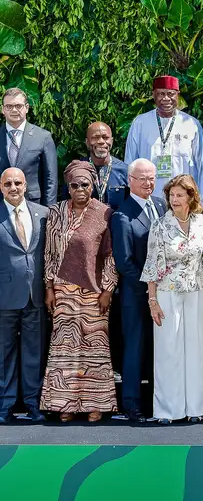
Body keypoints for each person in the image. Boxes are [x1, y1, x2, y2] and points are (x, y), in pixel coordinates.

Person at [41, 160, 119, 422]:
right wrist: (49, 287)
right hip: (63, 291)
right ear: (68, 187)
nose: (80, 189)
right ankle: (65, 403)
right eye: (74, 185)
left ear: (93, 185)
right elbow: (50, 253)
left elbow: (109, 256)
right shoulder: (56, 212)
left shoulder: (104, 213)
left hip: (94, 292)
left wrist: (108, 288)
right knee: (65, 348)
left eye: (84, 184)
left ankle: (95, 404)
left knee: (94, 349)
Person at [141, 174, 203, 424]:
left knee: (197, 350)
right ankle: (167, 410)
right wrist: (152, 301)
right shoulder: (159, 225)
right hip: (167, 292)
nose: (174, 200)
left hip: (197, 290)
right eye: (171, 196)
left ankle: (197, 408)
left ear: (191, 197)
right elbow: (151, 265)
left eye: (180, 195)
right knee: (168, 351)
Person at [110, 159, 165, 422]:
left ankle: (159, 401)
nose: (148, 183)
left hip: (164, 296)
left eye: (152, 178)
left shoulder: (161, 205)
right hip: (136, 295)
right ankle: (131, 404)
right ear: (130, 180)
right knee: (134, 349)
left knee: (160, 349)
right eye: (142, 178)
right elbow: (124, 262)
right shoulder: (122, 215)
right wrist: (150, 288)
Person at [0, 168, 48, 423]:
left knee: (34, 354)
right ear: (1, 187)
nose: (13, 187)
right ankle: (4, 407)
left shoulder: (42, 214)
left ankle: (33, 404)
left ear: (26, 185)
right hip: (4, 296)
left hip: (35, 295)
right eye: (8, 184)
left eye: (18, 182)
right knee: (3, 355)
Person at [125, 76, 203, 200]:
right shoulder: (140, 123)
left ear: (177, 95)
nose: (166, 98)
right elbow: (130, 162)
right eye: (161, 94)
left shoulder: (191, 124)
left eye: (170, 94)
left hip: (184, 199)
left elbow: (202, 164)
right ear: (154, 95)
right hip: (149, 198)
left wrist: (201, 198)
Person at [0, 87, 57, 204]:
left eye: (18, 106)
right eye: (9, 106)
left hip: (33, 205)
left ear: (26, 108)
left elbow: (51, 179)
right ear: (3, 109)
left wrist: (48, 212)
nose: (14, 110)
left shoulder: (43, 137)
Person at [79, 122, 129, 211]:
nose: (101, 141)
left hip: (116, 223)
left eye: (105, 138)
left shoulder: (125, 171)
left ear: (112, 141)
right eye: (95, 137)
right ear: (87, 142)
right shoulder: (78, 170)